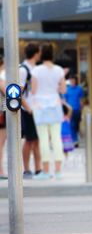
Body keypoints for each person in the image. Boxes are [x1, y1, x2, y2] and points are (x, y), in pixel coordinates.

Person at [31, 44, 66, 180]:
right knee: (56, 139)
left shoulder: (36, 71)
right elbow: (63, 90)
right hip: (55, 106)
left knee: (43, 140)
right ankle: (58, 171)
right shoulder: (59, 70)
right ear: (52, 54)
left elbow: (33, 91)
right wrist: (55, 87)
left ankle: (45, 171)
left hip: (39, 107)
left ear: (41, 54)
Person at [19, 43, 42, 179]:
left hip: (36, 109)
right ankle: (27, 169)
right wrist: (28, 109)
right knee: (29, 140)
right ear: (36, 53)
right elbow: (18, 93)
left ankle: (38, 169)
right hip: (28, 110)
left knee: (36, 140)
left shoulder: (36, 68)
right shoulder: (23, 70)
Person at [64, 74, 84, 147]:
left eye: (73, 80)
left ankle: (76, 138)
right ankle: (75, 140)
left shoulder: (79, 89)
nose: (72, 81)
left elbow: (81, 100)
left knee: (76, 125)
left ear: (76, 81)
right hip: (70, 110)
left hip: (77, 110)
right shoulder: (67, 89)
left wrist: (81, 110)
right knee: (72, 125)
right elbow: (65, 100)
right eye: (71, 80)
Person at [0, 58, 7, 179]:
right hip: (1, 114)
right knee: (0, 144)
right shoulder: (0, 80)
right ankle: (0, 171)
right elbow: (9, 93)